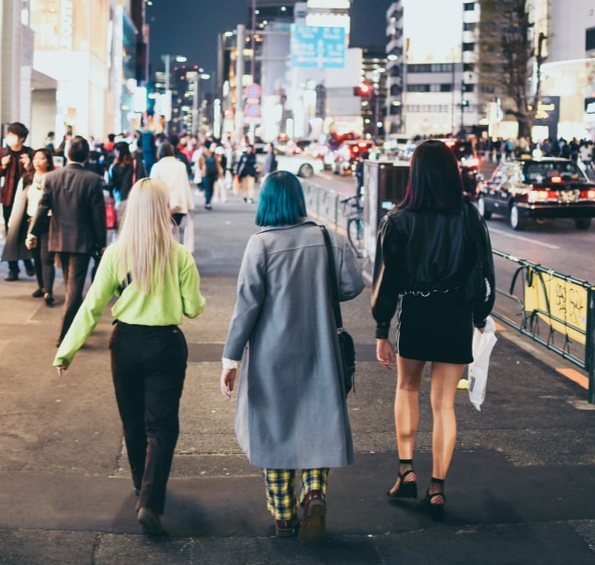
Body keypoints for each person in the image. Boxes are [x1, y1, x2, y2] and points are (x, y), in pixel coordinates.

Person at [53, 177, 206, 535]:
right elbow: (193, 308)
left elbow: (91, 307)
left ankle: (142, 490)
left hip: (125, 344)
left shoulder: (115, 254)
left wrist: (66, 351)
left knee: (134, 424)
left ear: (131, 211)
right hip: (165, 345)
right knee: (162, 425)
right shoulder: (180, 256)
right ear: (163, 209)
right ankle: (151, 501)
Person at [220, 171, 364, 542]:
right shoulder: (328, 238)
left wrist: (230, 358)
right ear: (299, 200)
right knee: (317, 423)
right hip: (320, 349)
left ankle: (284, 517)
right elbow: (351, 286)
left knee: (274, 430)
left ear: (267, 201)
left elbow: (247, 306)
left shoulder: (260, 245)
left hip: (270, 355)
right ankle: (314, 492)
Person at [371, 139, 495, 521]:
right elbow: (485, 273)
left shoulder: (398, 219)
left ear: (416, 174)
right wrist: (479, 316)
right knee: (444, 404)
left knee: (407, 388)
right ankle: (437, 489)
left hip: (418, 310)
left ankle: (406, 471)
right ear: (451, 173)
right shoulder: (469, 216)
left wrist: (381, 330)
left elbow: (385, 280)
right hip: (456, 311)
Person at [27, 136, 107, 347]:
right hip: (82, 242)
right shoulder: (92, 179)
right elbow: (98, 215)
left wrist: (32, 232)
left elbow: (42, 208)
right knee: (74, 289)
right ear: (87, 156)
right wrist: (102, 242)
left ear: (66, 154)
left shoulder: (52, 178)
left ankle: (75, 327)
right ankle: (65, 336)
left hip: (58, 239)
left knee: (72, 286)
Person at [2, 148, 56, 304]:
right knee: (36, 256)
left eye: (42, 158)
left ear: (48, 161)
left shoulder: (53, 178)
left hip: (48, 220)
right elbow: (19, 200)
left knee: (47, 257)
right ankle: (41, 286)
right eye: (36, 158)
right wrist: (13, 221)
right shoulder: (27, 178)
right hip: (30, 221)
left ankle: (49, 291)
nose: (38, 161)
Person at [1, 122, 35, 280]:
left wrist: (29, 165)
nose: (9, 138)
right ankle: (13, 268)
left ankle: (28, 260)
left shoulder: (30, 153)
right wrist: (2, 166)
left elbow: (38, 175)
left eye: (13, 135)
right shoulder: (3, 153)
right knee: (11, 233)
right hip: (8, 199)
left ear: (21, 138)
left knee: (25, 232)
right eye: (9, 134)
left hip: (25, 200)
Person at [150, 142, 195, 243]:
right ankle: (174, 251)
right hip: (179, 204)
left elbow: (152, 188)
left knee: (163, 232)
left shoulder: (156, 167)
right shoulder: (181, 166)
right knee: (175, 230)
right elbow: (185, 185)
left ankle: (167, 251)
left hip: (163, 205)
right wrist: (190, 205)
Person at [108, 141, 147, 226]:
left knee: (121, 227)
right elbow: (143, 180)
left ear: (117, 152)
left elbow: (111, 185)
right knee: (135, 226)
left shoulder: (114, 167)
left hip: (120, 200)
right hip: (135, 199)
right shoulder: (136, 164)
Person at [198, 144, 222, 210]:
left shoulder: (202, 155)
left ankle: (207, 201)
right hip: (213, 174)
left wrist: (202, 170)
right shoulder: (214, 155)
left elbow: (199, 164)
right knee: (211, 188)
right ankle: (209, 201)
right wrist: (219, 173)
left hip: (205, 174)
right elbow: (218, 164)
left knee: (207, 188)